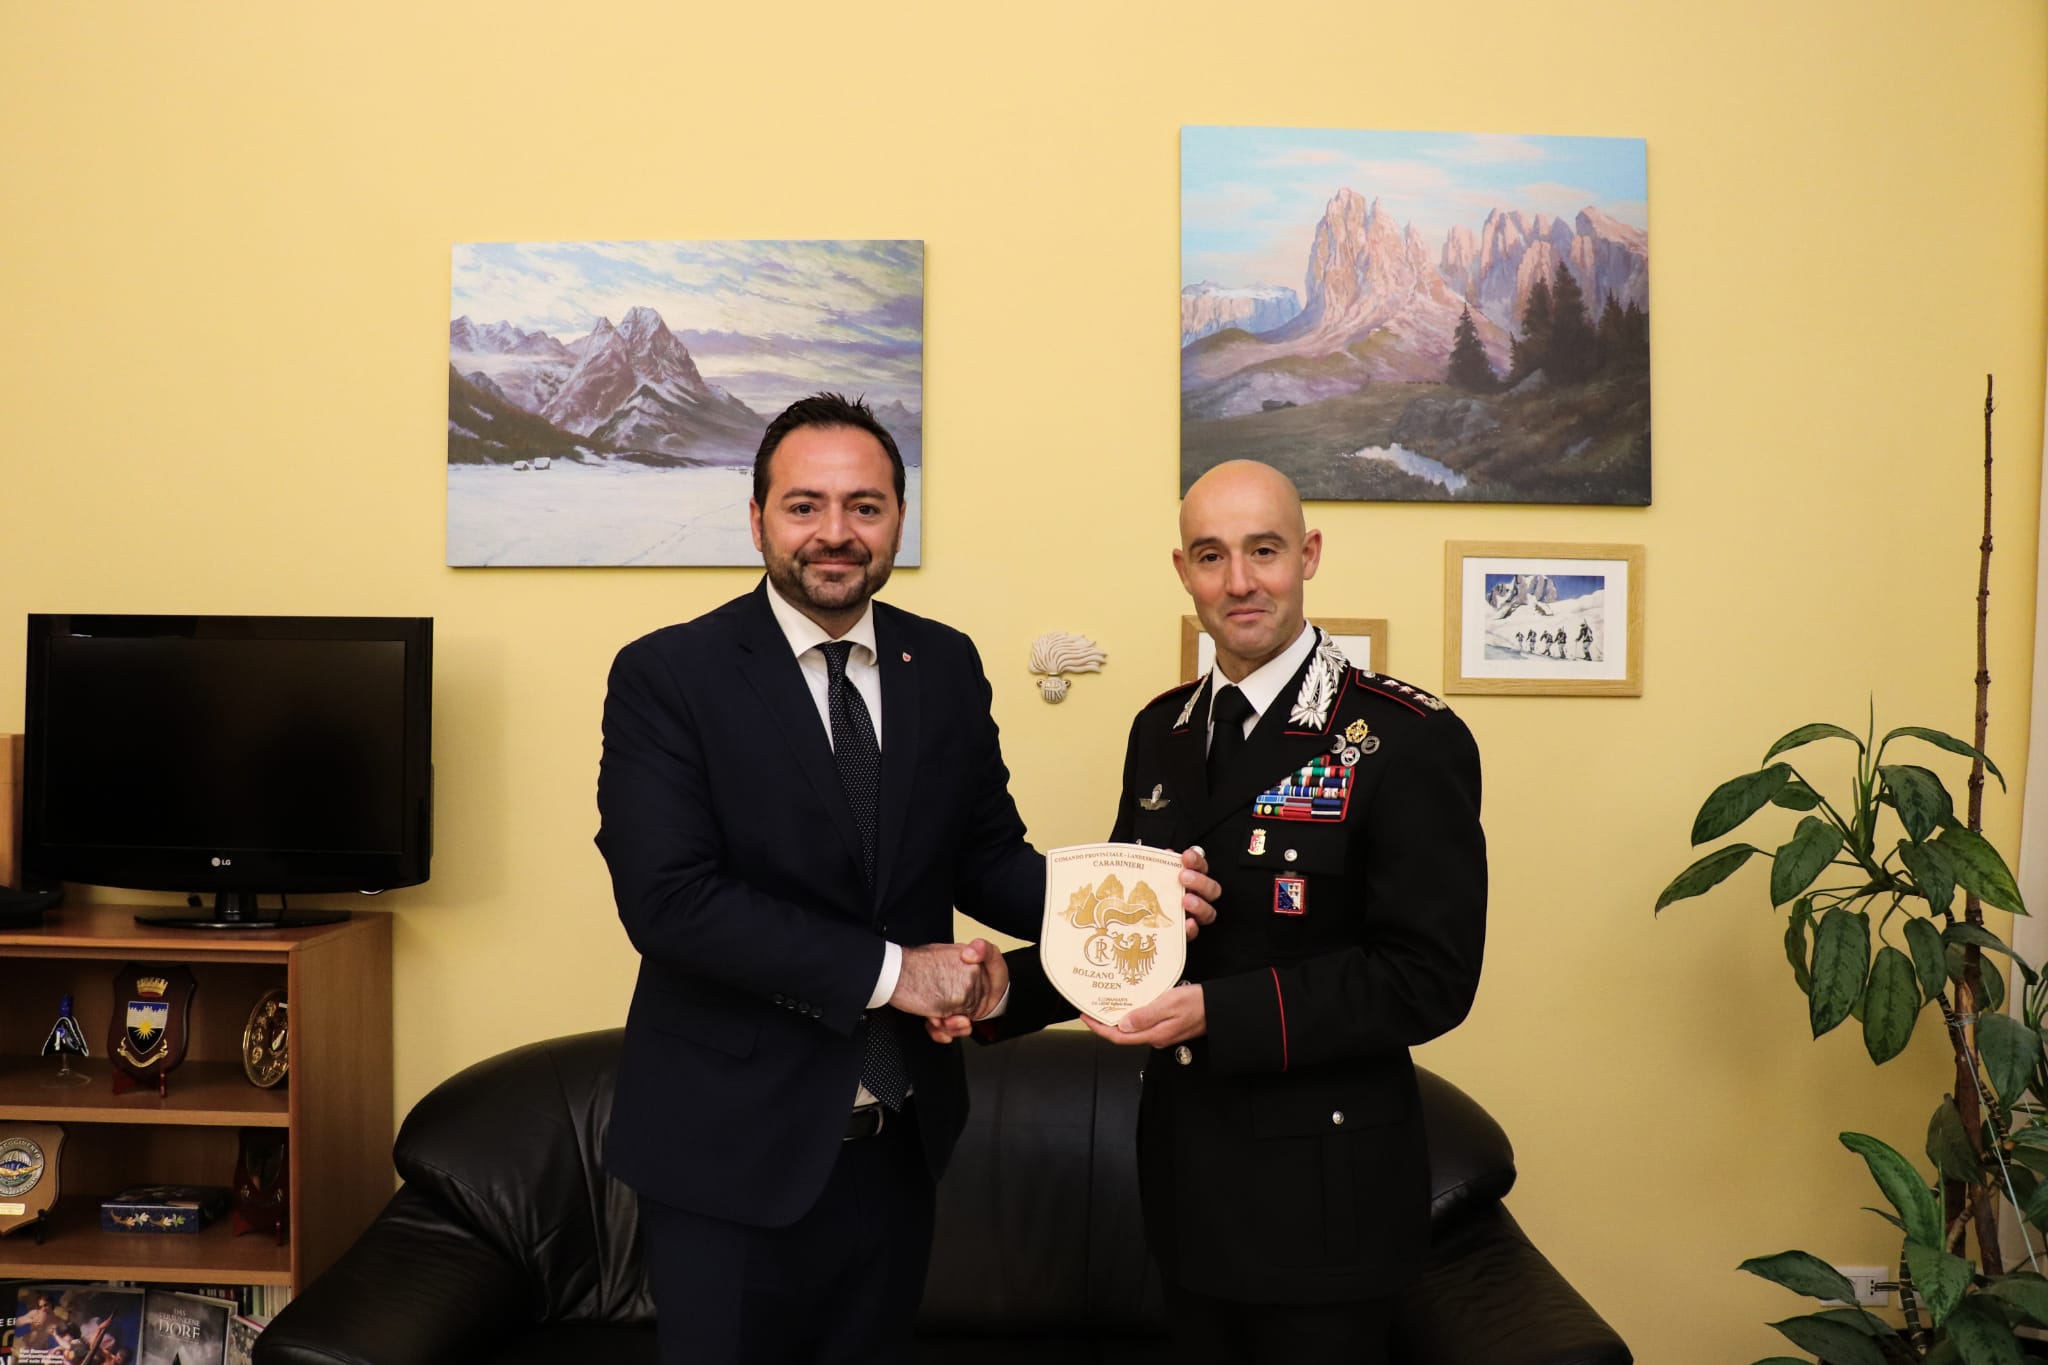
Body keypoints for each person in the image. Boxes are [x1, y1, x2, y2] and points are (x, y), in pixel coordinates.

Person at [967, 459, 1487, 1363]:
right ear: (1183, 571)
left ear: (1309, 555)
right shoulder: (1160, 732)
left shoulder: (1404, 738)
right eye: (1212, 556)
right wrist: (993, 990)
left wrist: (1220, 1010)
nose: (1239, 581)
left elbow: (1429, 979)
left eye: (1264, 551)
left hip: (1330, 1203)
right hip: (1187, 1181)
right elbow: (1127, 938)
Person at [594, 393, 1046, 1363]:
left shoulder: (946, 665)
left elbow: (987, 859)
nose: (834, 534)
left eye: (864, 507)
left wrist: (1131, 899)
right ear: (756, 518)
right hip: (726, 1156)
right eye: (804, 506)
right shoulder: (668, 675)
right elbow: (669, 903)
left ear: (897, 519)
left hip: (898, 1143)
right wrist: (896, 973)